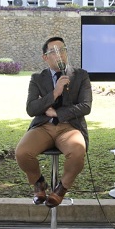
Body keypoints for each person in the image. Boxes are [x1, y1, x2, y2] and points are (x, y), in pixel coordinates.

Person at [15, 36, 92, 207]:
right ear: (45, 57)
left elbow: (85, 106)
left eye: (63, 50)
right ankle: (39, 183)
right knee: (22, 153)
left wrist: (57, 112)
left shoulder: (80, 76)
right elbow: (31, 109)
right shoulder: (37, 78)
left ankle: (61, 189)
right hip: (43, 126)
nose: (60, 55)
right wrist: (55, 93)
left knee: (78, 152)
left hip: (70, 127)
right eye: (54, 52)